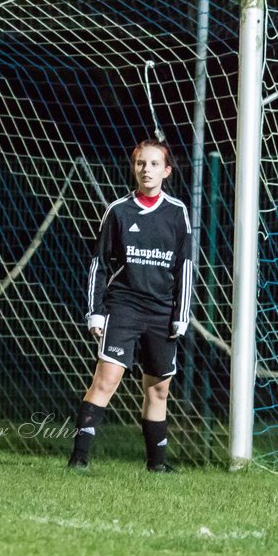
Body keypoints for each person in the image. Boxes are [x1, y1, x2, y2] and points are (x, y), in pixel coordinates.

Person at [69, 138, 192, 473]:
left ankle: (157, 465)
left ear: (166, 171)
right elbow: (99, 264)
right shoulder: (119, 210)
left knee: (159, 390)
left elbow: (184, 267)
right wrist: (95, 310)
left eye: (154, 164)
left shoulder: (177, 213)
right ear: (133, 168)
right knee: (106, 380)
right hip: (123, 306)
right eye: (141, 163)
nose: (146, 170)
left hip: (162, 311)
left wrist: (181, 316)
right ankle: (78, 459)